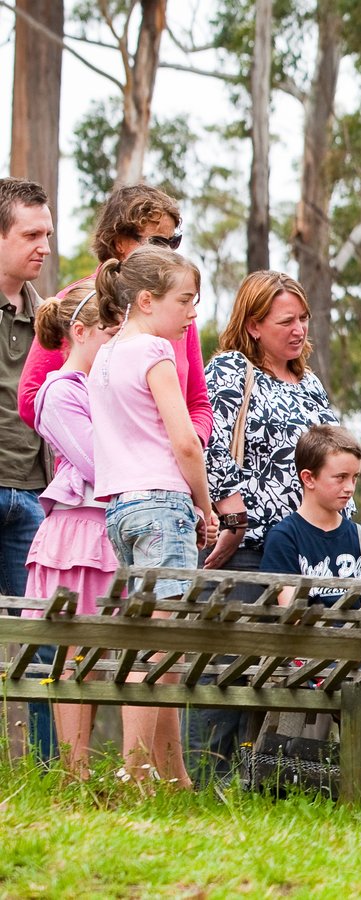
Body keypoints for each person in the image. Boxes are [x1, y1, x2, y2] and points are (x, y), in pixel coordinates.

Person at [185, 270, 343, 783]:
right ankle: (201, 785)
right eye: (285, 321)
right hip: (249, 549)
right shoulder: (231, 369)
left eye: (303, 319)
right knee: (228, 674)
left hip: (306, 553)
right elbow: (213, 446)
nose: (298, 330)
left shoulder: (311, 383)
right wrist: (232, 519)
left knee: (281, 679)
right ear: (253, 325)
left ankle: (256, 787)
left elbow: (332, 462)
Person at [88, 246, 216, 788]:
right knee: (160, 649)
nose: (193, 313)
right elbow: (185, 442)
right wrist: (205, 505)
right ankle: (136, 768)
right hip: (164, 506)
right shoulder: (156, 352)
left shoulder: (104, 357)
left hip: (120, 509)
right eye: (185, 300)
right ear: (146, 300)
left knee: (154, 642)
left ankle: (174, 776)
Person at [18, 183, 212, 445]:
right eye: (156, 242)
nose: (167, 253)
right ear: (119, 242)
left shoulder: (178, 312)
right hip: (95, 476)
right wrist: (106, 448)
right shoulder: (76, 302)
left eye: (173, 242)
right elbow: (32, 398)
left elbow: (198, 402)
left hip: (171, 473)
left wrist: (189, 442)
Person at [22, 283, 115, 778]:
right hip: (77, 533)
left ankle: (84, 768)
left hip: (109, 531)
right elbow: (101, 463)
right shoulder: (60, 391)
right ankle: (74, 773)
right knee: (74, 650)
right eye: (108, 331)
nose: (116, 341)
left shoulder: (105, 387)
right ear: (78, 332)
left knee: (99, 654)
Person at [0, 177, 56, 762]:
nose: (43, 245)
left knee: (42, 644)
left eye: (48, 233)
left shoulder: (51, 320)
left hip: (34, 499)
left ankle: (46, 768)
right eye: (30, 234)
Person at [259, 424, 361, 603]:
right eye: (340, 477)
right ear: (309, 478)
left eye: (354, 477)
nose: (350, 488)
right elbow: (290, 616)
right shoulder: (283, 538)